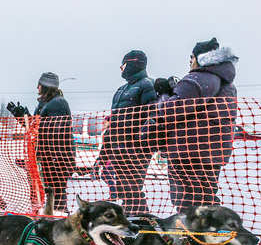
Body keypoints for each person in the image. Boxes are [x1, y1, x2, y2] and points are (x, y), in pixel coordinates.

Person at [144, 38, 238, 210]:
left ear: (200, 58)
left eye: (191, 57)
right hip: (210, 151)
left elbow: (169, 110)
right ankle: (209, 233)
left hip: (188, 151)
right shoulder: (225, 82)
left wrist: (164, 93)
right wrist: (175, 91)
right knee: (205, 199)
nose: (190, 61)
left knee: (187, 202)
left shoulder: (197, 78)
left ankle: (194, 235)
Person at [100, 50, 158, 215]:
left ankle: (143, 225)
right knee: (125, 192)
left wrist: (142, 144)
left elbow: (152, 117)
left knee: (132, 191)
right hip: (118, 150)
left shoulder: (147, 85)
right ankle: (131, 223)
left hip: (135, 151)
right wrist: (104, 154)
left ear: (132, 63)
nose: (121, 68)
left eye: (123, 64)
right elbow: (113, 125)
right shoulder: (121, 90)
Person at [8, 72, 75, 210]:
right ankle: (52, 217)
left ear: (45, 86)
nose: (37, 87)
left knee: (56, 192)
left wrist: (54, 156)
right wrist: (21, 116)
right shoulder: (46, 104)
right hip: (48, 156)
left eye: (39, 84)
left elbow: (55, 132)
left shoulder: (58, 103)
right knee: (50, 191)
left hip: (57, 157)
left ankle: (59, 218)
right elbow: (36, 127)